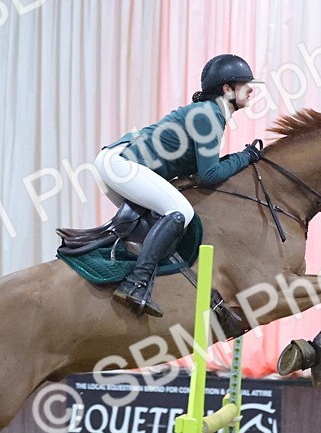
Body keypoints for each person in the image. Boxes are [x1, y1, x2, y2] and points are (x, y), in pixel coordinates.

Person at [95, 54, 264, 318]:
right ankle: (136, 284)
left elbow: (201, 171)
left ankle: (132, 274)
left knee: (160, 219)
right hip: (121, 164)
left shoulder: (209, 113)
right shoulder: (209, 115)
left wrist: (235, 159)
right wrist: (246, 157)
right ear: (227, 89)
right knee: (180, 212)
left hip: (116, 161)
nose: (252, 89)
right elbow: (209, 175)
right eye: (245, 83)